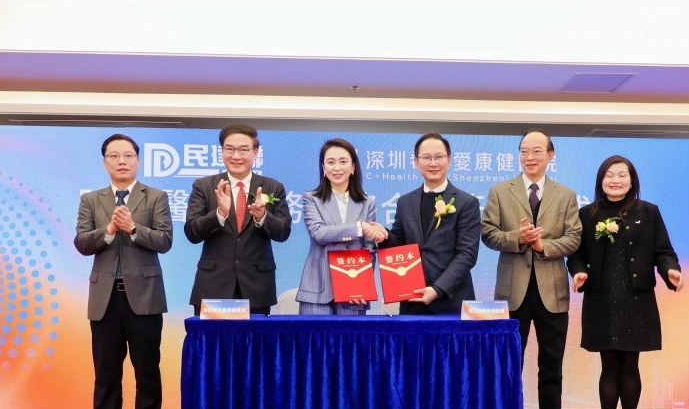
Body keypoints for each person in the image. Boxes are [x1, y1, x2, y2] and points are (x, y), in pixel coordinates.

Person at [567, 155, 682, 409]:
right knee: (608, 365)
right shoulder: (587, 214)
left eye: (622, 175)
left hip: (636, 299)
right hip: (602, 298)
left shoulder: (649, 211)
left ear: (632, 181)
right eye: (609, 175)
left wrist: (671, 271)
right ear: (600, 180)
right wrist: (578, 272)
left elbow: (663, 252)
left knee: (631, 364)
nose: (615, 180)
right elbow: (576, 255)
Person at [481, 130, 581, 409]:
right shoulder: (500, 191)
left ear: (551, 155)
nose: (530, 157)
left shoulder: (565, 195)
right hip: (512, 292)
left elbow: (574, 238)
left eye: (537, 151)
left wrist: (542, 246)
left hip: (552, 293)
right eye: (524, 151)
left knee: (551, 367)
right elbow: (488, 233)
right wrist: (517, 238)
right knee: (509, 365)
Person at [74, 134, 173, 409]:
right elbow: (82, 243)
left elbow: (164, 241)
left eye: (128, 155)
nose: (121, 161)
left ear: (137, 160)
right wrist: (108, 231)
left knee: (147, 371)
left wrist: (132, 228)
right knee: (106, 373)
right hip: (105, 299)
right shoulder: (91, 200)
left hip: (144, 296)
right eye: (114, 156)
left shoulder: (156, 197)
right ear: (105, 162)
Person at [185, 124, 292, 315]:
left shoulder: (273, 187)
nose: (236, 156)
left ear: (255, 152)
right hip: (213, 286)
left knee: (255, 336)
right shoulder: (204, 186)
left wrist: (263, 217)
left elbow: (283, 232)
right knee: (212, 336)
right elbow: (192, 233)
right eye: (230, 149)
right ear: (222, 151)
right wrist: (219, 214)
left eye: (243, 150)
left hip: (257, 288)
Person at [380, 132, 481, 314]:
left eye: (439, 157)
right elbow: (399, 244)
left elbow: (467, 254)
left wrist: (437, 289)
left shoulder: (467, 202)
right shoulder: (405, 202)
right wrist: (385, 237)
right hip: (412, 298)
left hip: (451, 301)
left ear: (449, 160)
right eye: (426, 158)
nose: (433, 163)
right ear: (416, 162)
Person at [296, 138, 386, 314]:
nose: (337, 168)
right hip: (317, 288)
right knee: (315, 333)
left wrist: (362, 285)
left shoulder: (367, 203)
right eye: (331, 162)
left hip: (353, 290)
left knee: (350, 334)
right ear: (323, 168)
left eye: (343, 162)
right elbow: (318, 233)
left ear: (353, 168)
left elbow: (369, 249)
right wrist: (359, 228)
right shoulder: (311, 198)